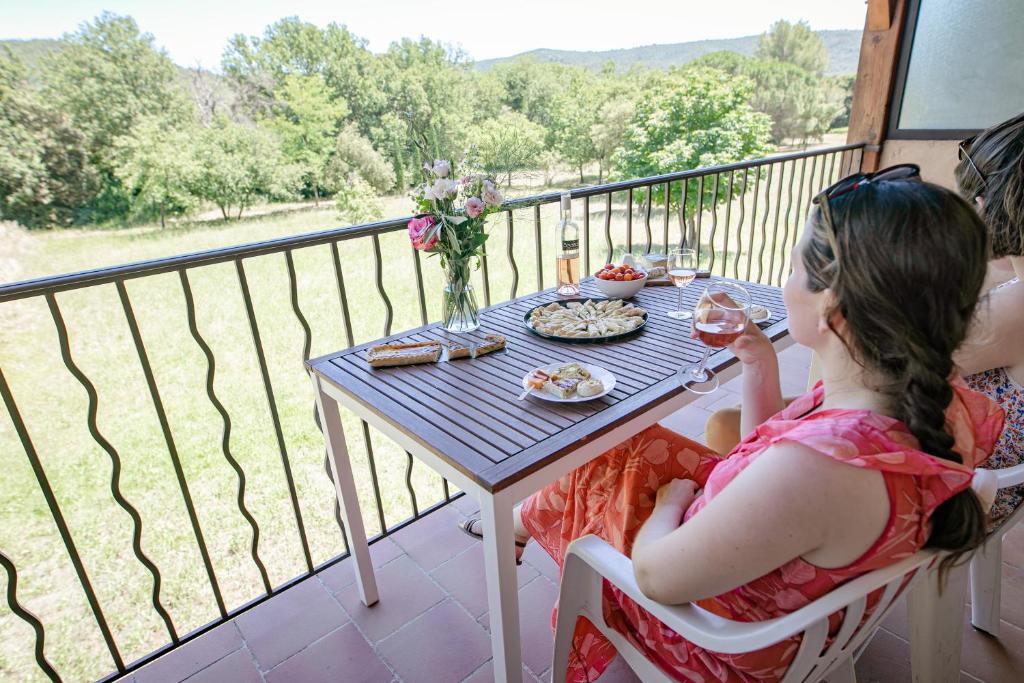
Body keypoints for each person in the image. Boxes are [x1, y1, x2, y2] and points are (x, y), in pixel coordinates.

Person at [460, 171, 1003, 682]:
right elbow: (765, 463)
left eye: (793, 271)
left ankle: (518, 528)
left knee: (586, 466)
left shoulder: (822, 468)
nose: (785, 283)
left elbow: (656, 576)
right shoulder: (918, 403)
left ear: (831, 307)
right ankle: (521, 525)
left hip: (717, 640)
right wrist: (759, 360)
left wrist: (671, 502)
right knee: (621, 443)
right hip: (779, 573)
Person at [954, 111, 1024, 527]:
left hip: (966, 493)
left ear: (986, 205)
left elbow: (892, 361)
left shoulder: (1016, 305)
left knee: (736, 426)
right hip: (991, 478)